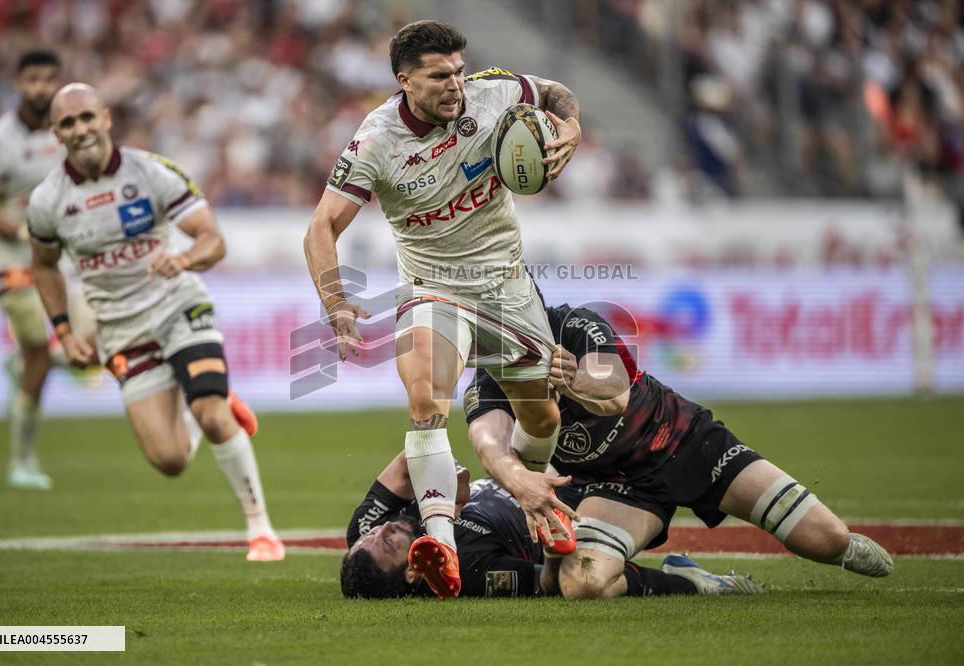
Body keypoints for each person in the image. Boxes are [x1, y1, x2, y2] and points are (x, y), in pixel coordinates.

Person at [304, 20, 583, 599]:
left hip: (508, 287)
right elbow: (321, 227)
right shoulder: (376, 140)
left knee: (543, 421)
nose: (456, 84)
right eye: (439, 76)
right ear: (404, 80)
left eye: (459, 70)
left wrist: (571, 125)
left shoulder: (492, 92)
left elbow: (554, 93)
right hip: (436, 287)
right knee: (428, 398)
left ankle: (518, 498)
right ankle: (443, 548)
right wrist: (337, 304)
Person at [464, 302, 894, 599]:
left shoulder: (576, 325)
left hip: (685, 442)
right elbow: (490, 443)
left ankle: (840, 544)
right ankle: (693, 581)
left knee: (825, 539)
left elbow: (613, 394)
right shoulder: (489, 382)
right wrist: (517, 478)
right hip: (612, 488)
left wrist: (573, 378)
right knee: (584, 585)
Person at [25, 83, 284, 562]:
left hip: (178, 305)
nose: (80, 129)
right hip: (121, 330)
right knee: (169, 460)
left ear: (105, 118)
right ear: (55, 132)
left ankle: (261, 528)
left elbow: (212, 240)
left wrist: (184, 261)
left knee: (210, 414)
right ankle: (215, 400)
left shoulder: (152, 171)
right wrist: (62, 329)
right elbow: (43, 266)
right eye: (67, 123)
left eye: (86, 117)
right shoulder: (47, 201)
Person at [341, 452, 761, 598]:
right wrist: (550, 543)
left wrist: (443, 486)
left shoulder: (365, 530)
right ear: (414, 570)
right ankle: (692, 583)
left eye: (375, 534)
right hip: (577, 501)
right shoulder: (462, 571)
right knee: (583, 582)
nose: (383, 530)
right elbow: (546, 584)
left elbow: (409, 459)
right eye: (388, 542)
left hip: (540, 470)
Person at [0, 50, 91, 489]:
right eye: (32, 79)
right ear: (18, 82)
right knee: (38, 342)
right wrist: (22, 233)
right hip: (11, 255)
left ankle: (24, 367)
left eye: (48, 79)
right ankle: (21, 462)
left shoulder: (72, 134)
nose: (40, 88)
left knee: (88, 348)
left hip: (60, 252)